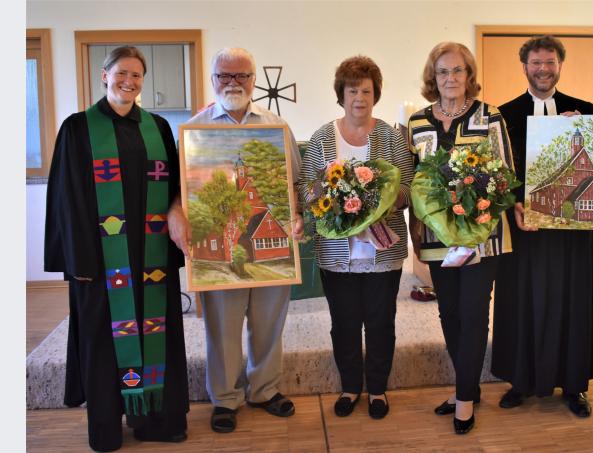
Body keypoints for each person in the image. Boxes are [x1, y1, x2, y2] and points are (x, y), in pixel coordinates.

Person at [45, 46, 189, 452]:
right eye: (122, 73)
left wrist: (177, 211)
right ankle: (106, 425)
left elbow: (176, 186)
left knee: (155, 332)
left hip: (152, 257)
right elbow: (67, 198)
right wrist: (77, 260)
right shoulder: (78, 128)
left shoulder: (158, 127)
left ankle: (155, 420)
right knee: (104, 341)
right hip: (100, 261)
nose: (129, 81)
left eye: (137, 75)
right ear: (104, 75)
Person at [167, 47, 304, 434]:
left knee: (269, 324)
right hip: (220, 239)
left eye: (241, 75)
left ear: (253, 80)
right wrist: (176, 212)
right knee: (223, 328)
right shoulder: (194, 130)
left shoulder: (277, 126)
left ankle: (264, 390)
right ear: (213, 80)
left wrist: (295, 216)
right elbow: (178, 191)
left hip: (268, 234)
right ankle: (226, 398)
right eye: (224, 76)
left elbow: (294, 183)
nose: (233, 82)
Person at [491, 35, 593, 418]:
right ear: (524, 66)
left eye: (550, 62)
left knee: (573, 302)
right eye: (536, 63)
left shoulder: (587, 110)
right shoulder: (503, 115)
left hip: (573, 233)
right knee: (522, 301)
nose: (543, 69)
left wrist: (583, 133)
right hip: (525, 228)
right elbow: (496, 174)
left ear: (560, 65)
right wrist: (515, 205)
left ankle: (574, 385)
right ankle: (520, 382)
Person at [408, 42, 515, 435]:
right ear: (432, 78)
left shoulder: (490, 117)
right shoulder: (417, 123)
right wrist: (415, 229)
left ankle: (465, 399)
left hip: (482, 238)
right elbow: (415, 182)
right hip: (437, 238)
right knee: (449, 314)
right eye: (443, 72)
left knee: (472, 314)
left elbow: (505, 176)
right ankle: (466, 386)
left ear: (469, 75)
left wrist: (480, 209)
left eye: (457, 70)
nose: (450, 78)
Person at [300, 56, 414, 420]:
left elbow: (407, 187)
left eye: (366, 91)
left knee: (381, 323)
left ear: (375, 94)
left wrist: (380, 203)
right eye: (352, 91)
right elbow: (308, 190)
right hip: (337, 255)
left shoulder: (391, 137)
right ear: (342, 95)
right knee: (344, 324)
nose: (359, 98)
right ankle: (350, 386)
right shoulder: (322, 138)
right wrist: (332, 202)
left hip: (383, 253)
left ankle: (377, 389)